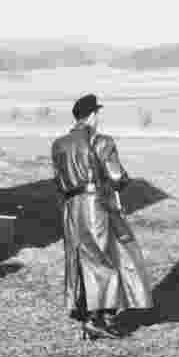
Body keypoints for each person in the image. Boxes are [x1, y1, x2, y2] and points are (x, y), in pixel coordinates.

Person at [50, 94, 153, 340]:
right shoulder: (102, 142)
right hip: (96, 204)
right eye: (98, 114)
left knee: (80, 258)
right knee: (105, 257)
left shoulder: (59, 144)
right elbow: (117, 177)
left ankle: (94, 314)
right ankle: (97, 319)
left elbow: (57, 180)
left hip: (71, 206)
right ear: (93, 116)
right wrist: (122, 182)